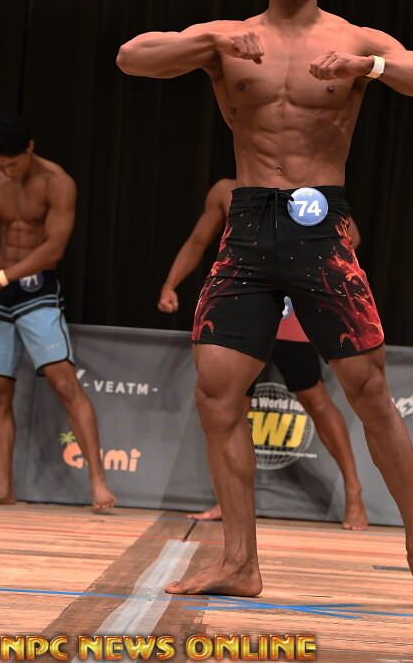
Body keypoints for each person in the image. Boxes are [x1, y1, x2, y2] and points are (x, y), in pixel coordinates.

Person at [117, 0, 413, 610]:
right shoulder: (228, 35)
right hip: (248, 222)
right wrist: (209, 47)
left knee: (370, 391)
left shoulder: (354, 38)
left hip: (320, 225)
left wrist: (369, 69)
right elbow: (131, 57)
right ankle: (240, 561)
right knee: (217, 390)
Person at [158, 177, 368, 530]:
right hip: (244, 302)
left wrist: (303, 272)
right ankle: (228, 501)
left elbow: (351, 236)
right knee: (231, 407)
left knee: (313, 396)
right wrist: (170, 284)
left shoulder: (302, 186)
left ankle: (353, 491)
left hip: (289, 303)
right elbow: (197, 242)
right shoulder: (225, 190)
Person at [0, 116, 116, 510]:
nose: (7, 172)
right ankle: (4, 486)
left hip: (36, 290)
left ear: (30, 148)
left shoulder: (58, 182)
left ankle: (98, 482)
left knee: (64, 383)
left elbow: (53, 249)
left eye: (13, 164)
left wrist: (1, 277)